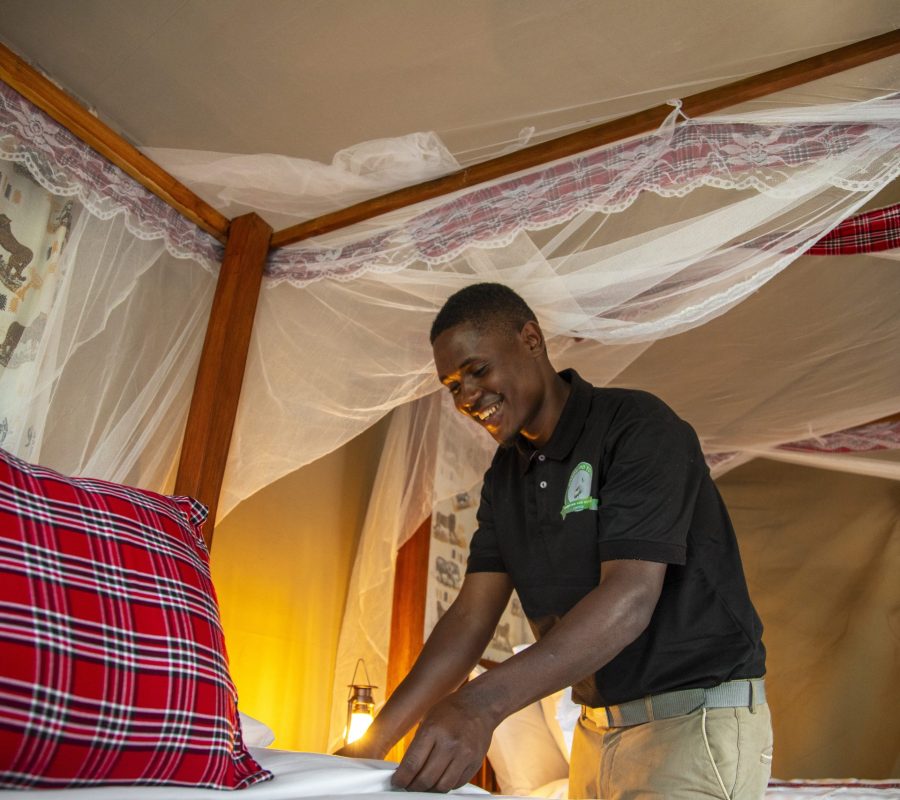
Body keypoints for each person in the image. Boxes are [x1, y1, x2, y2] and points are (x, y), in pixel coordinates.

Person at [337, 283, 772, 799]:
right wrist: (369, 747)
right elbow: (471, 618)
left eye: (477, 370)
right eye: (452, 385)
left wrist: (481, 703)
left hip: (690, 721)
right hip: (595, 730)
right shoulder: (505, 477)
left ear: (531, 340)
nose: (467, 397)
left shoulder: (636, 427)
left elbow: (631, 598)